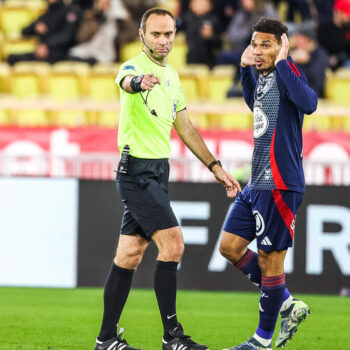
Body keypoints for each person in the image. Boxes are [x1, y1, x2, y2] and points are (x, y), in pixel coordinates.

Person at [94, 7, 241, 350]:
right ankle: (172, 337)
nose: (163, 40)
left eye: (169, 34)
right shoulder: (133, 67)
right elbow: (125, 81)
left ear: (176, 35)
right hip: (136, 172)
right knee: (173, 244)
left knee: (129, 255)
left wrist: (215, 166)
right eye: (156, 34)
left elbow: (185, 126)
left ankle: (105, 340)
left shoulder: (173, 75)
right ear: (142, 35)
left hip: (158, 171)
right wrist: (137, 82)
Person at [219, 17, 317, 350]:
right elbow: (255, 106)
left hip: (281, 181)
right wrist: (245, 69)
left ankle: (261, 341)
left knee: (270, 259)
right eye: (255, 44)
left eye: (266, 44)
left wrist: (286, 60)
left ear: (281, 45)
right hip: (256, 182)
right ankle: (287, 302)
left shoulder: (288, 74)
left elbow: (310, 104)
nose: (258, 50)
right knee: (229, 247)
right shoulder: (263, 78)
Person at [7, 0, 80, 65]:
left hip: (62, 53)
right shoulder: (46, 14)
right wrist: (35, 27)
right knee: (12, 58)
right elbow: (24, 31)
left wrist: (46, 45)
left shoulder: (69, 12)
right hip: (42, 52)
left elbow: (67, 36)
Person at [178, 0, 221, 68]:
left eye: (203, 2)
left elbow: (218, 44)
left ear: (209, 5)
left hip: (208, 58)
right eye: (197, 2)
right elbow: (176, 26)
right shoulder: (186, 18)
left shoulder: (214, 20)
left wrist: (210, 37)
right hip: (191, 57)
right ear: (191, 5)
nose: (199, 5)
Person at [291, 23, 328, 97]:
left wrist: (307, 62)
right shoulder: (295, 53)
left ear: (308, 40)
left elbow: (317, 82)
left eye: (298, 39)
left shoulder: (320, 55)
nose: (295, 42)